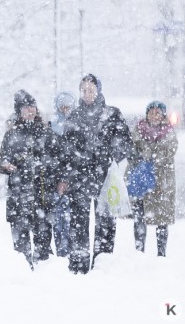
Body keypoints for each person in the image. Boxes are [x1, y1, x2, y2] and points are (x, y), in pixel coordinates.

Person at [57, 74, 132, 274]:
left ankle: (102, 265)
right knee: (78, 222)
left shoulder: (112, 114)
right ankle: (79, 266)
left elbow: (125, 143)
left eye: (91, 90)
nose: (87, 93)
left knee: (106, 222)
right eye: (84, 90)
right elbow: (66, 150)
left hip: (105, 177)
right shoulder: (74, 117)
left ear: (98, 91)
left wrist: (107, 153)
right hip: (79, 178)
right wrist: (65, 176)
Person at [0, 90, 59, 269]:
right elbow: (2, 161)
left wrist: (47, 168)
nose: (30, 111)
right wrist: (6, 165)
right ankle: (22, 275)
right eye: (26, 108)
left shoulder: (46, 133)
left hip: (42, 197)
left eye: (32, 107)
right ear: (19, 112)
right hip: (19, 197)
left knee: (44, 244)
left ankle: (45, 274)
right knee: (20, 248)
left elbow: (58, 158)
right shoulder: (12, 135)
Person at [129, 101, 178, 256]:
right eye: (151, 112)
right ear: (147, 114)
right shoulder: (137, 130)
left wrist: (150, 157)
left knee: (161, 219)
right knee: (139, 217)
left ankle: (161, 254)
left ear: (163, 115)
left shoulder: (169, 132)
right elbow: (131, 151)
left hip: (162, 183)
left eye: (158, 113)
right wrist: (140, 161)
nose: (154, 115)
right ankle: (139, 252)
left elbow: (169, 152)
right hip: (142, 182)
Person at [49, 92, 75, 257]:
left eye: (68, 105)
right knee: (59, 220)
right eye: (62, 105)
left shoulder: (76, 125)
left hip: (74, 180)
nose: (65, 109)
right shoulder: (52, 126)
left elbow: (75, 155)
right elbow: (52, 155)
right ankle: (62, 253)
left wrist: (67, 177)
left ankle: (71, 253)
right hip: (55, 181)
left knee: (72, 221)